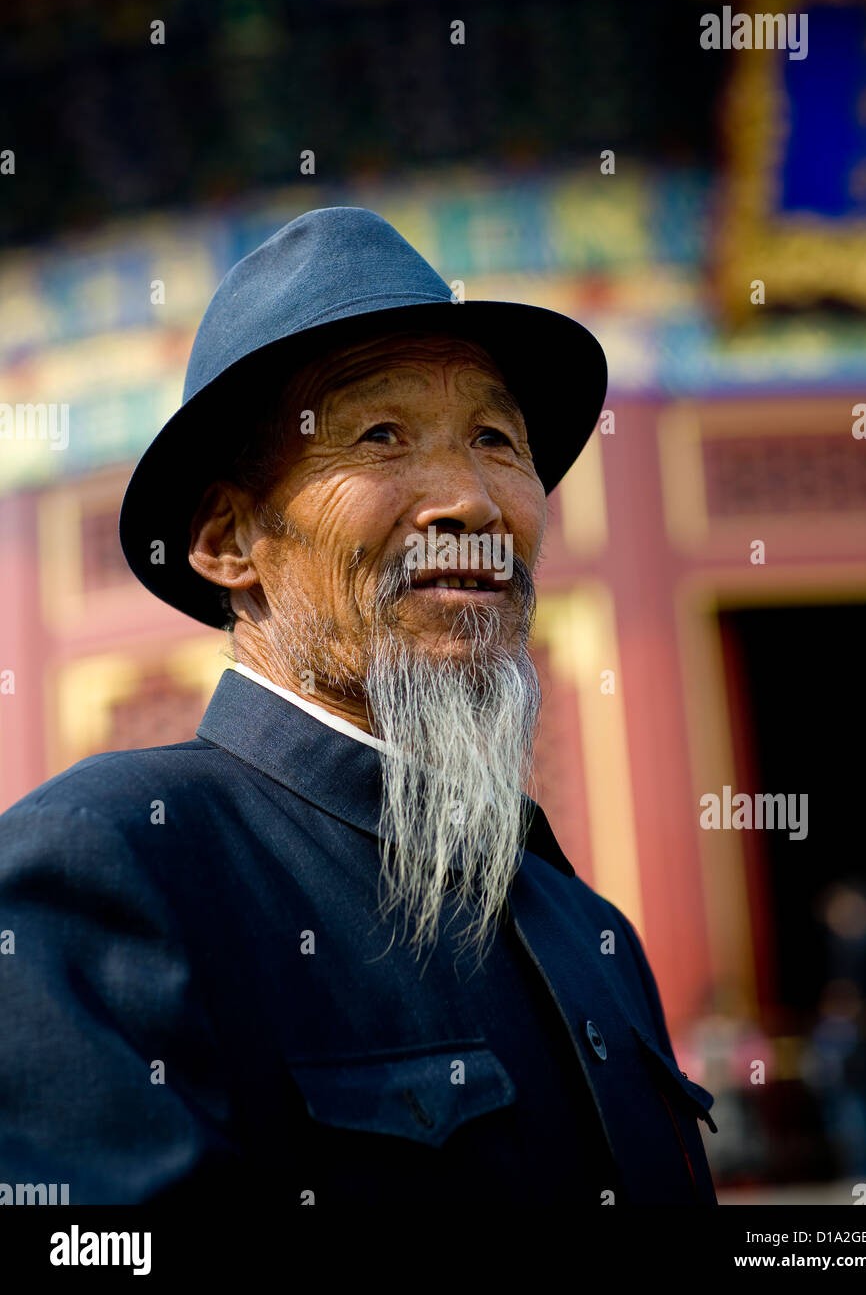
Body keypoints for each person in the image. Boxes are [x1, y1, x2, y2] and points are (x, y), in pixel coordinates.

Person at [0, 207, 717, 1205]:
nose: (468, 500)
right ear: (227, 542)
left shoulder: (581, 921)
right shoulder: (111, 869)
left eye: (495, 438)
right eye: (380, 435)